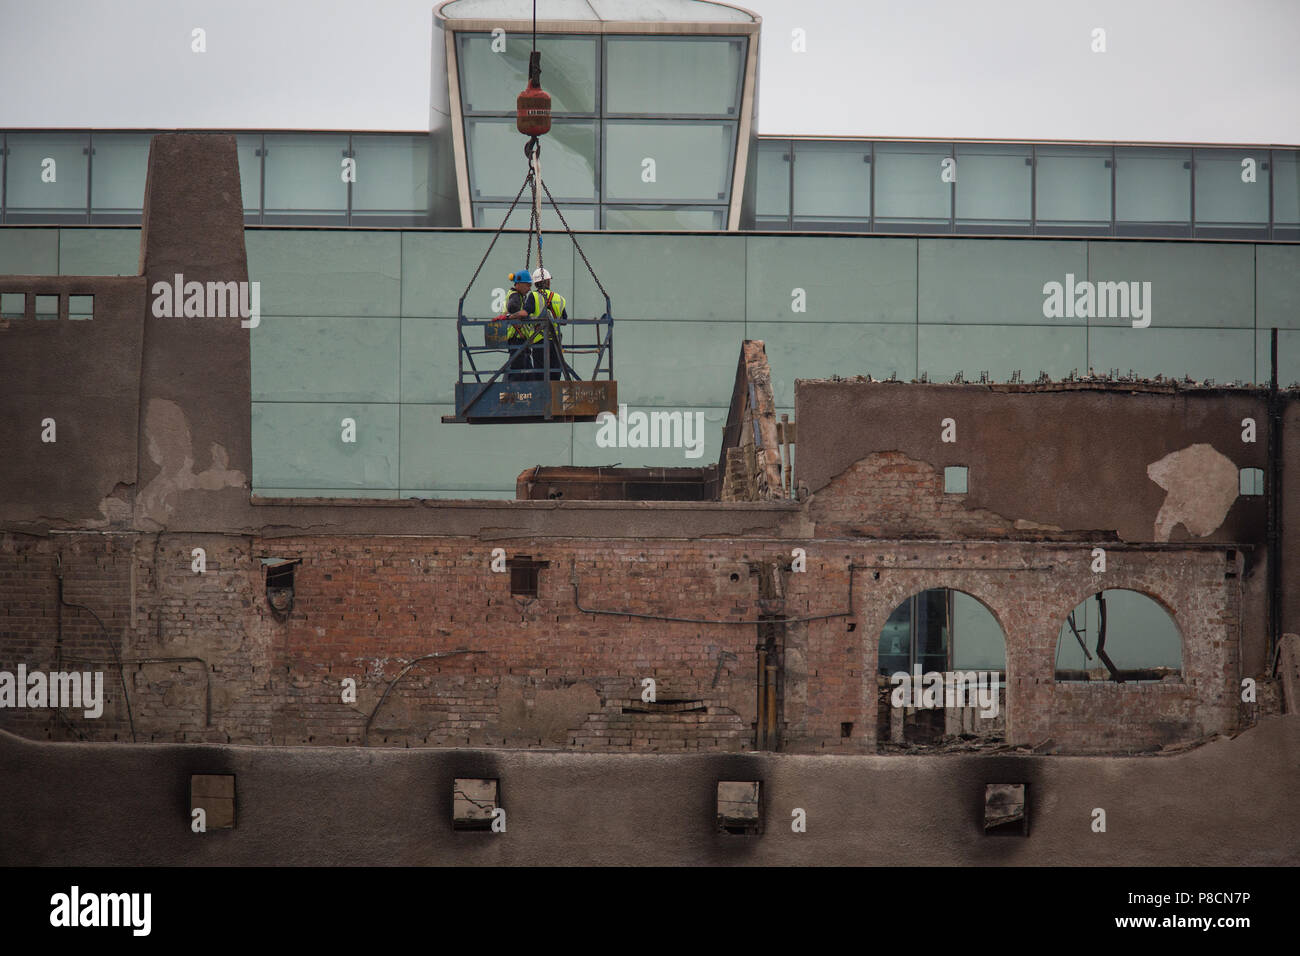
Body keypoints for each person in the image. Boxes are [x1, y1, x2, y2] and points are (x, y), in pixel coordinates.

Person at [530, 267, 569, 380]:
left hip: (539, 340)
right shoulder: (559, 298)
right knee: (555, 370)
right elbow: (564, 321)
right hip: (555, 341)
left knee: (540, 371)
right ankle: (554, 391)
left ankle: (541, 392)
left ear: (536, 283)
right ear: (547, 281)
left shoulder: (533, 296)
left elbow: (527, 313)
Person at [502, 269, 539, 380]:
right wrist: (521, 316)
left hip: (520, 340)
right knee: (518, 369)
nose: (529, 289)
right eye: (527, 285)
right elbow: (512, 307)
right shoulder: (515, 296)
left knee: (526, 368)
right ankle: (514, 390)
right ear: (519, 284)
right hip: (517, 338)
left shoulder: (518, 296)